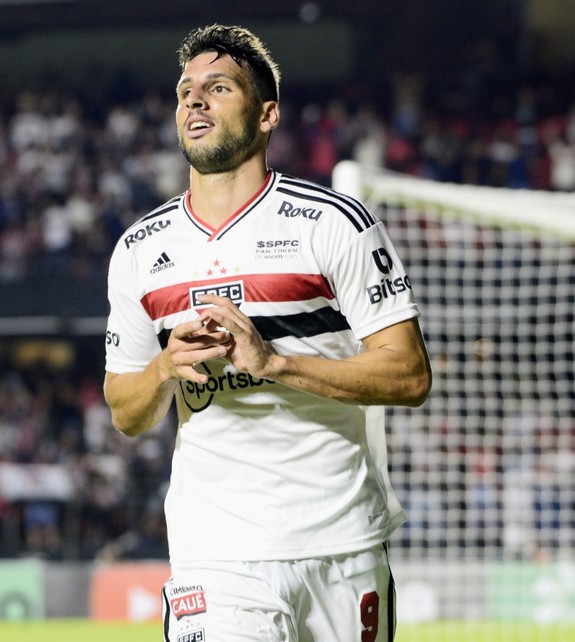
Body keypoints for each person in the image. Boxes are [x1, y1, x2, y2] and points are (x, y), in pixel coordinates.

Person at [103, 24, 431, 641]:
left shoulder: (333, 224)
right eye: (185, 91)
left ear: (267, 115)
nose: (194, 101)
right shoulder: (140, 250)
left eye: (218, 88)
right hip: (217, 553)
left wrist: (275, 363)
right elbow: (126, 410)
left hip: (343, 545)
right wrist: (163, 369)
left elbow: (409, 375)